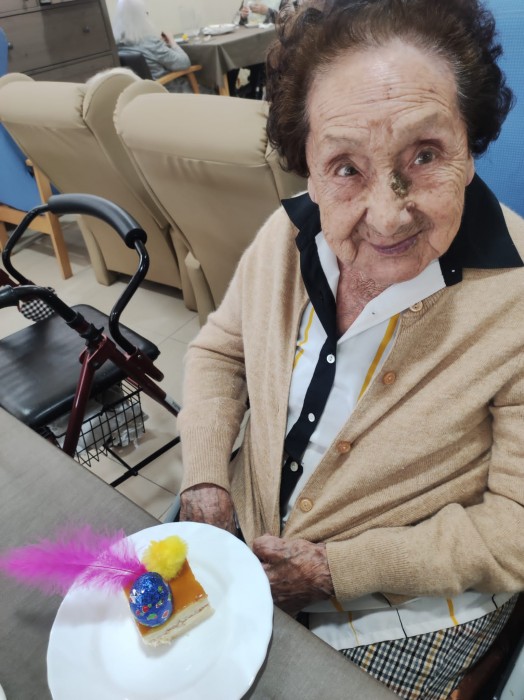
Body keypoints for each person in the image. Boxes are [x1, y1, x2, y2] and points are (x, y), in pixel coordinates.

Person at [177, 0, 524, 697]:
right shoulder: (285, 237)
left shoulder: (516, 301)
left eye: (425, 155)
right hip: (248, 540)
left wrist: (332, 570)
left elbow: (514, 530)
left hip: (402, 604)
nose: (389, 217)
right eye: (345, 167)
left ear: (471, 145)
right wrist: (207, 478)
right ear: (305, 166)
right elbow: (220, 356)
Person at [112, 0, 193, 92]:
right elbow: (184, 63)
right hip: (169, 91)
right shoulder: (150, 42)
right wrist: (172, 41)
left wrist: (159, 45)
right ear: (141, 16)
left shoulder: (117, 44)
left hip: (145, 95)